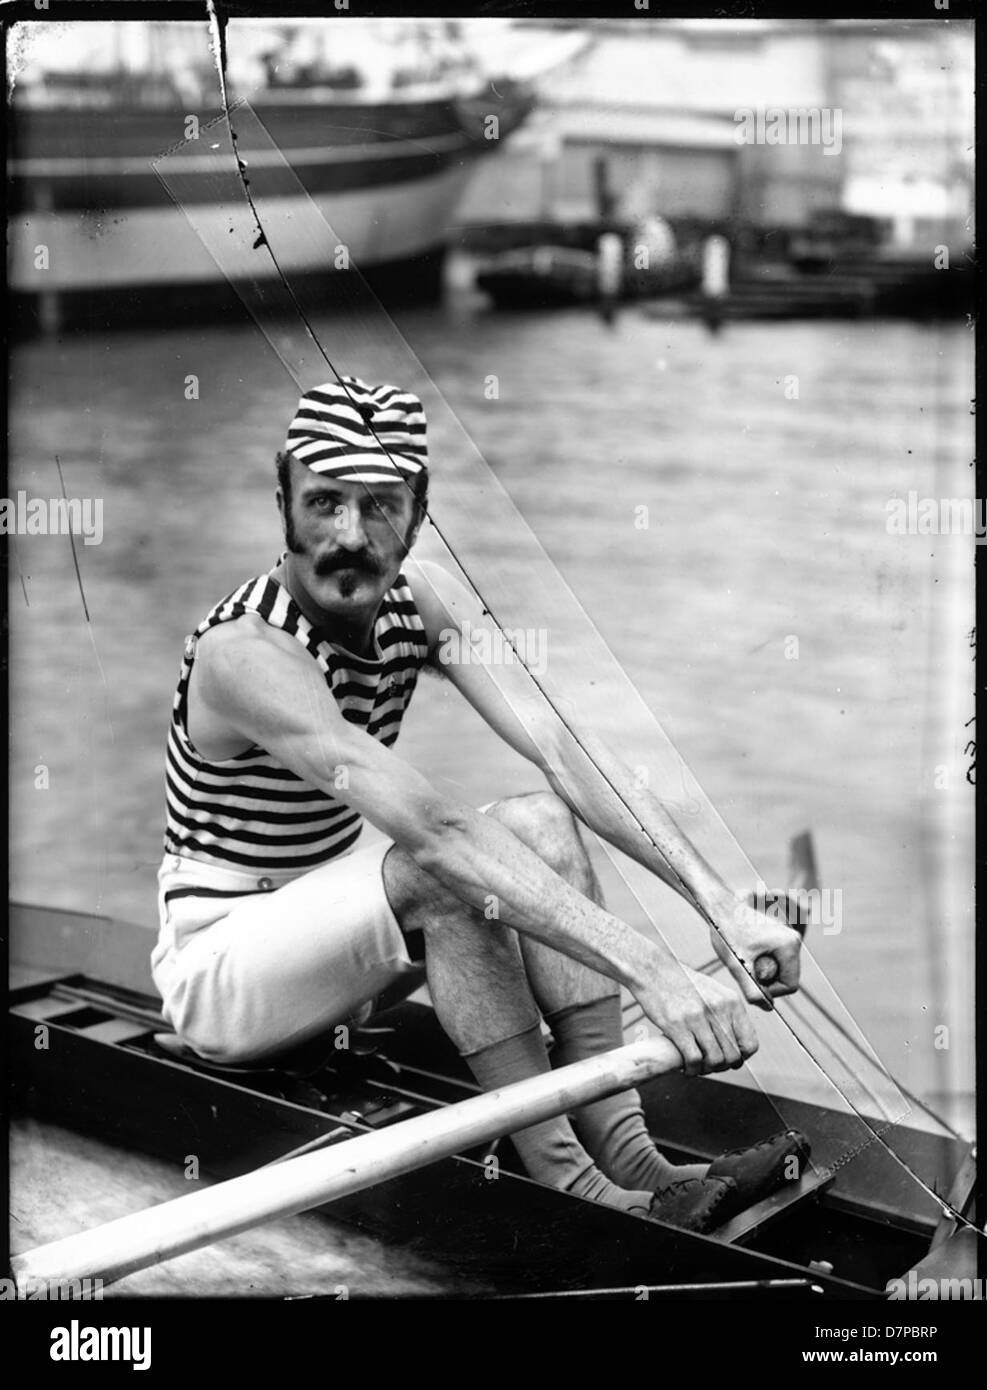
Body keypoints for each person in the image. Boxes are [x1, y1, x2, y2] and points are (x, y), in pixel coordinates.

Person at [151, 375, 808, 1233]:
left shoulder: (420, 599)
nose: (347, 537)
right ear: (281, 499)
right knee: (445, 867)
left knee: (538, 818)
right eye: (322, 503)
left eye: (378, 505)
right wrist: (654, 969)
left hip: (337, 945)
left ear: (419, 511)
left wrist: (717, 907)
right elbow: (433, 831)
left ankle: (635, 1163)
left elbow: (563, 749)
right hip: (223, 973)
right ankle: (575, 1191)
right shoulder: (246, 652)